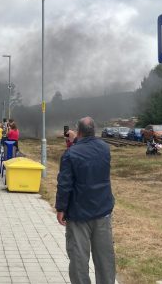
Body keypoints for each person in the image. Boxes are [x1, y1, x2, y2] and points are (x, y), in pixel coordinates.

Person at [55, 116, 116, 284]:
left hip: (78, 214)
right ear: (94, 130)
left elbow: (64, 184)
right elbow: (89, 153)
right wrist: (77, 142)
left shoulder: (70, 154)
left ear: (79, 131)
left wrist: (61, 208)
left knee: (79, 259)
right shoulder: (105, 148)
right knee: (105, 258)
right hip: (103, 212)